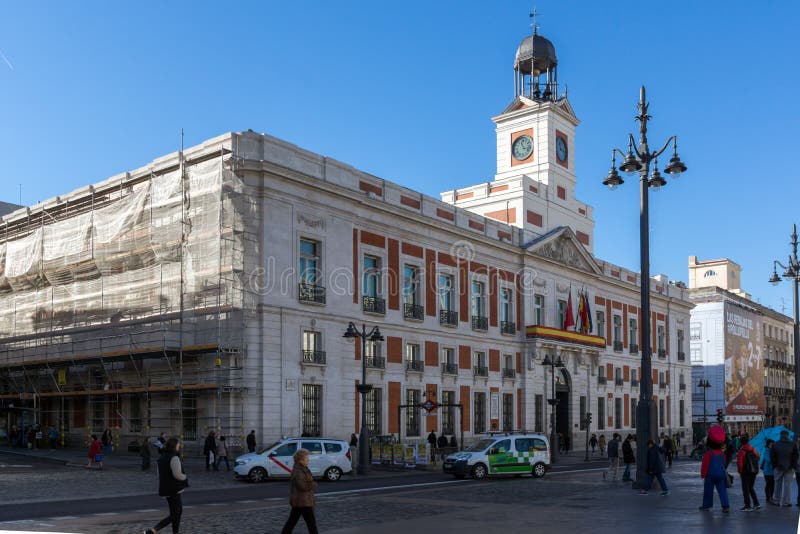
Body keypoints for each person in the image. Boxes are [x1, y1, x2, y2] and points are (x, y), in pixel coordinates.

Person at [146, 437, 188, 534]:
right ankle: (153, 530)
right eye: (178, 444)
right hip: (174, 488)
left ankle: (174, 532)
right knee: (176, 514)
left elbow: (159, 474)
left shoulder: (162, 457)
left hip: (165, 488)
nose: (179, 446)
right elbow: (177, 475)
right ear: (174, 445)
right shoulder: (174, 457)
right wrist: (184, 476)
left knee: (176, 513)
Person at [280, 448, 319, 534]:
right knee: (311, 524)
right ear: (301, 460)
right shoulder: (299, 471)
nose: (308, 459)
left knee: (292, 522)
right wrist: (313, 484)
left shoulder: (303, 468)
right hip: (303, 501)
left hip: (301, 501)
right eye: (306, 458)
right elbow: (302, 486)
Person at [699, 425, 729, 512]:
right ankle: (725, 506)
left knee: (708, 491)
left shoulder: (708, 454)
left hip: (710, 475)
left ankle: (706, 506)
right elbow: (724, 463)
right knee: (722, 491)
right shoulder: (722, 453)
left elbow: (705, 465)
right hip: (721, 475)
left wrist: (703, 474)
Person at [770, 429, 798, 507]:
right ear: (788, 435)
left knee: (777, 484)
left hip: (778, 467)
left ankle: (776, 501)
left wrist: (775, 465)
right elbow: (795, 456)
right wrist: (793, 465)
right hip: (789, 467)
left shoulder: (775, 444)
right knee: (787, 485)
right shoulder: (792, 444)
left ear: (781, 435)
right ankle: (786, 502)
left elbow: (772, 456)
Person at [736, 434, 760, 511]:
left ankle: (747, 505)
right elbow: (758, 457)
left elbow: (740, 463)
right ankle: (756, 504)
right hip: (753, 471)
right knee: (751, 488)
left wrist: (740, 471)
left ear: (741, 442)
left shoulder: (741, 451)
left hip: (745, 472)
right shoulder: (752, 449)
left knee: (745, 489)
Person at [761, 439, 775, 504]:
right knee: (768, 484)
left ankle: (771, 497)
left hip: (773, 471)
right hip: (767, 471)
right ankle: (768, 497)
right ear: (768, 444)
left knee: (772, 484)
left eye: (773, 444)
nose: (772, 445)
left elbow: (764, 460)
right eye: (771, 444)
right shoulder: (767, 451)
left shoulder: (773, 451)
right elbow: (768, 460)